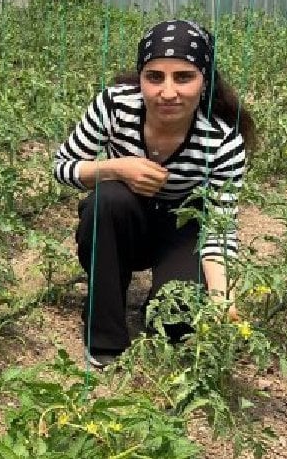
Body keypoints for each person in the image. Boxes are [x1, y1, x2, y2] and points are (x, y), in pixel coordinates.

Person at [53, 19, 255, 369]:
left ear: (204, 81)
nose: (168, 92)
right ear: (141, 78)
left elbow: (220, 227)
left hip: (182, 233)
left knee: (177, 326)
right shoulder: (115, 106)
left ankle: (162, 301)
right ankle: (105, 336)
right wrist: (117, 169)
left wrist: (222, 296)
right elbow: (62, 166)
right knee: (108, 199)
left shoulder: (222, 140)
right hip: (125, 222)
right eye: (155, 77)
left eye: (183, 77)